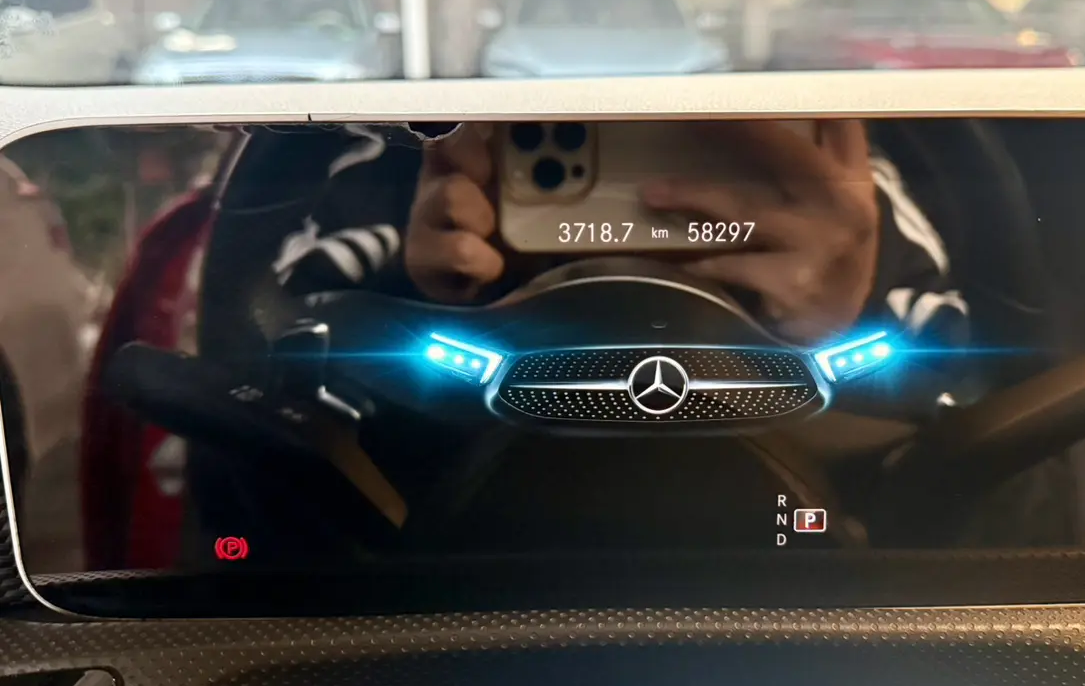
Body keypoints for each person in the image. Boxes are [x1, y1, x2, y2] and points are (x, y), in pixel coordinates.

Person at [268, 118, 973, 551]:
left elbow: (964, 398)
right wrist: (422, 281)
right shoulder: (410, 153)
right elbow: (276, 345)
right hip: (464, 532)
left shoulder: (842, 179)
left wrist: (847, 311)